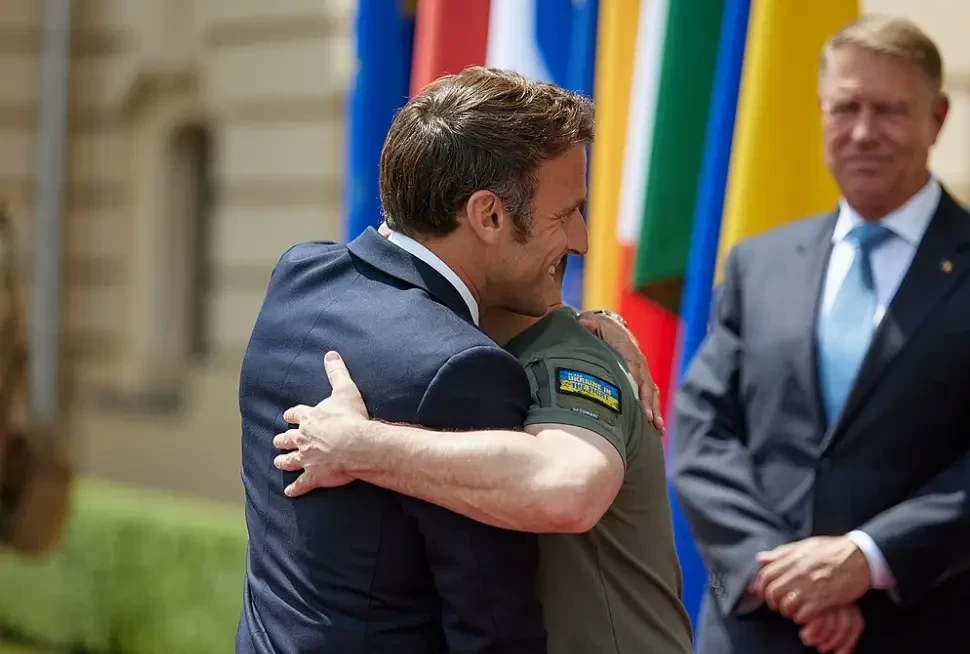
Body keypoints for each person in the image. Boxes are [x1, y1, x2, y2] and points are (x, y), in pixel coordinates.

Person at [235, 66, 595, 653]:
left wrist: (584, 323)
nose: (581, 240)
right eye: (566, 215)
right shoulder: (464, 371)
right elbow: (494, 631)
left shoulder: (297, 276)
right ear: (488, 215)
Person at [670, 15, 970, 654]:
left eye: (889, 110)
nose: (863, 132)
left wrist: (867, 557)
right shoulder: (760, 263)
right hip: (758, 626)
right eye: (845, 108)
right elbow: (701, 434)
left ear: (938, 117)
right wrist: (782, 576)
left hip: (921, 627)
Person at [273, 256, 693, 654]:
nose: (579, 240)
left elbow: (568, 488)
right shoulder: (488, 351)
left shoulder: (568, 358)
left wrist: (359, 446)